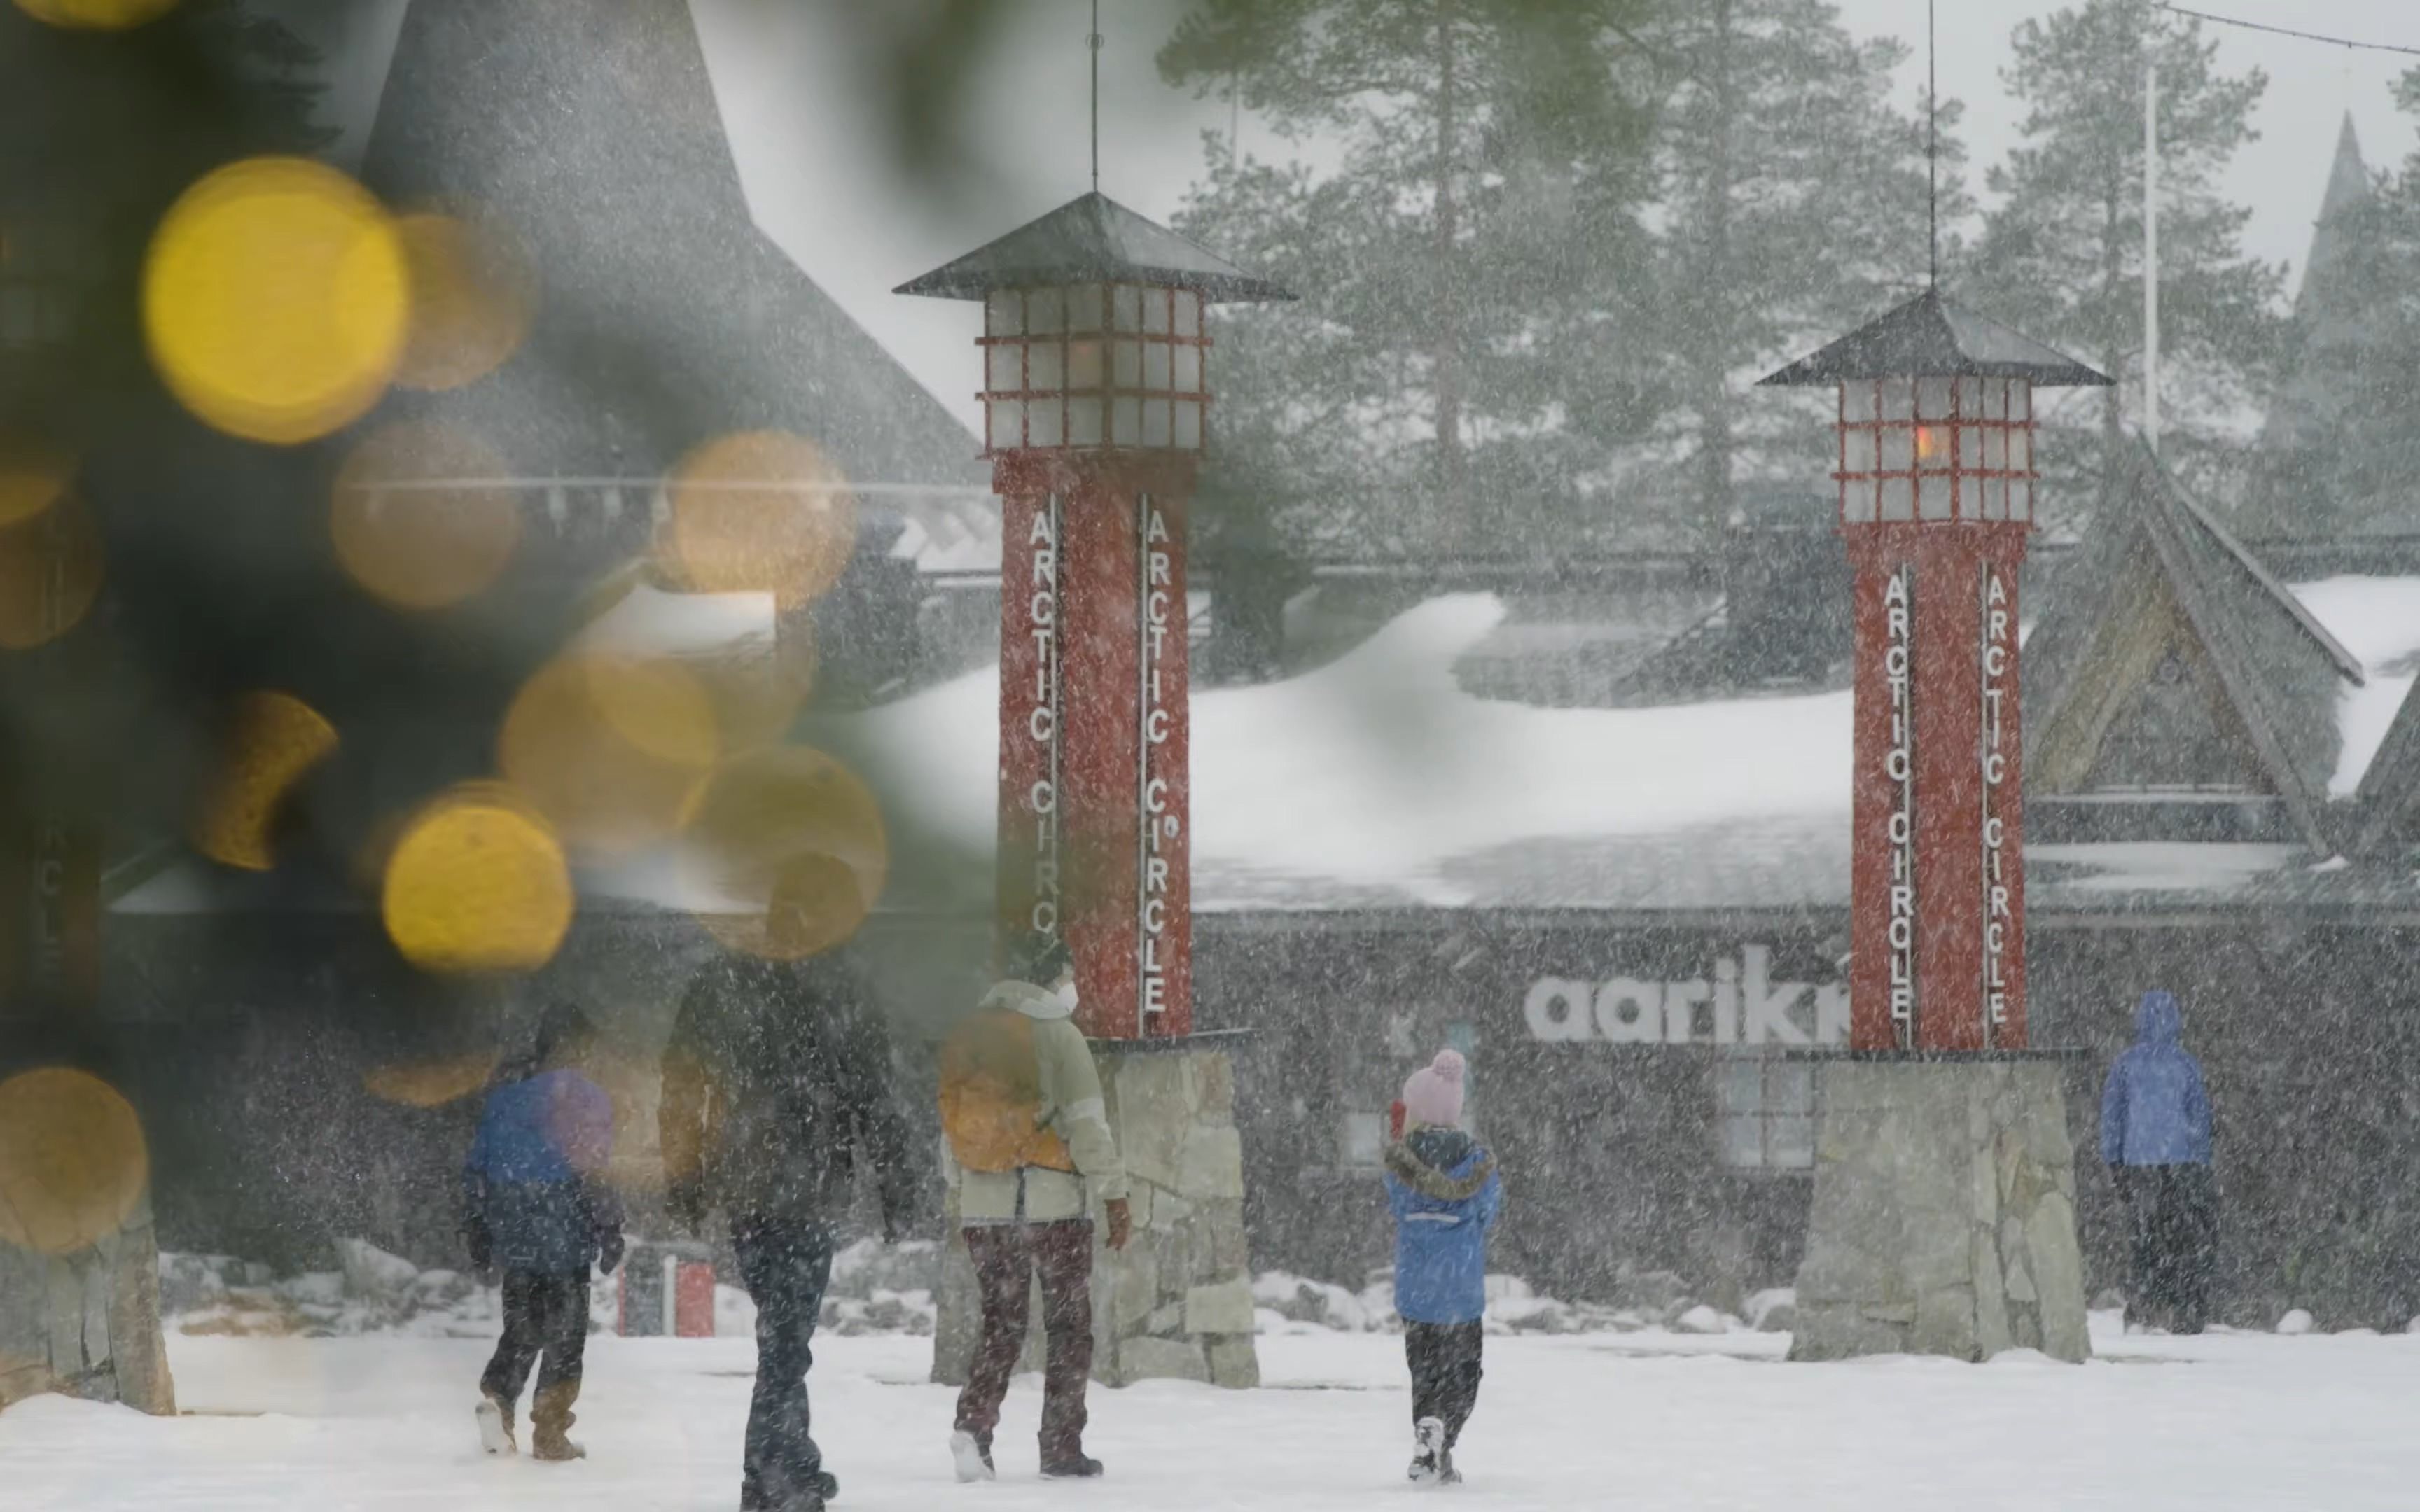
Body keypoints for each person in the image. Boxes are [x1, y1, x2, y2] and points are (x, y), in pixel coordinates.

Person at [660, 951, 915, 1512]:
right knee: (785, 1342)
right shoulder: (839, 984)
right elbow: (874, 1096)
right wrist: (897, 1185)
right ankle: (782, 1474)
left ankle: (776, 1470)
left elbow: (681, 1084)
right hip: (805, 1187)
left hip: (747, 1185)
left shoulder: (722, 983)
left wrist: (686, 1177)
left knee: (781, 1336)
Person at [938, 932, 1131, 1483]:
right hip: (1054, 1210)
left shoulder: (967, 1035)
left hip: (984, 1207)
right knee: (1069, 1327)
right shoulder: (1060, 1035)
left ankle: (973, 1430)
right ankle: (1061, 1446)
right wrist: (1114, 1194)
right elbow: (1088, 1125)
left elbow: (947, 1131)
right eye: (1069, 975)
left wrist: (964, 1195)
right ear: (1051, 977)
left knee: (1001, 1323)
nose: (1073, 986)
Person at [462, 1001, 624, 1462]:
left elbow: (476, 1168)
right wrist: (611, 1226)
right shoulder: (586, 1096)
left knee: (523, 1324)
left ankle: (498, 1398)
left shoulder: (505, 1097)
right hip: (564, 1225)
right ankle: (551, 1434)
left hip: (512, 1224)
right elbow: (594, 1171)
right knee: (566, 1334)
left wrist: (477, 1225)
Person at [1384, 1048, 1501, 1487]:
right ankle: (1444, 1438)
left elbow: (1397, 1206)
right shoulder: (1477, 1163)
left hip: (1417, 1293)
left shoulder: (1400, 1163)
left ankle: (1430, 1434)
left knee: (1425, 1371)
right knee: (1464, 1373)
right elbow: (1489, 1211)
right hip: (1460, 1292)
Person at [2100, 989, 2218, 1334]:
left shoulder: (2125, 1065)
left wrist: (2114, 1160)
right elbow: (2199, 1117)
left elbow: (2113, 1116)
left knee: (2143, 1235)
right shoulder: (2185, 1064)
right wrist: (2201, 1160)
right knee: (2181, 1237)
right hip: (2180, 1163)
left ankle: (2143, 1306)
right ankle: (2183, 1309)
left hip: (2137, 1163)